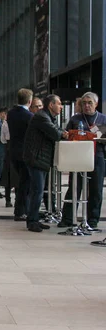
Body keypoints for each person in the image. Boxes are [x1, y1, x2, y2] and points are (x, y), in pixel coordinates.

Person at [60, 92, 106, 229]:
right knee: (74, 188)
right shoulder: (75, 119)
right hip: (77, 158)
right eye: (84, 103)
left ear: (96, 104)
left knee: (96, 190)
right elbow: (67, 136)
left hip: (97, 157)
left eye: (89, 103)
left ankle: (92, 220)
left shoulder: (103, 119)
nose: (86, 105)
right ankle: (68, 218)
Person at [23, 94, 68, 233]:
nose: (61, 106)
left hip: (40, 158)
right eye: (59, 103)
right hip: (36, 158)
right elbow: (55, 133)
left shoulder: (48, 117)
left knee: (38, 190)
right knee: (37, 190)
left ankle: (34, 218)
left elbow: (57, 130)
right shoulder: (42, 116)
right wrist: (64, 134)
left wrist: (63, 132)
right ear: (51, 105)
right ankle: (32, 222)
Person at [7, 89, 34, 221]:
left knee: (21, 182)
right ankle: (21, 211)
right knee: (26, 183)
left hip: (14, 151)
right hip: (25, 153)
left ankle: (20, 210)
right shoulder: (29, 116)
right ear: (30, 101)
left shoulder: (11, 114)